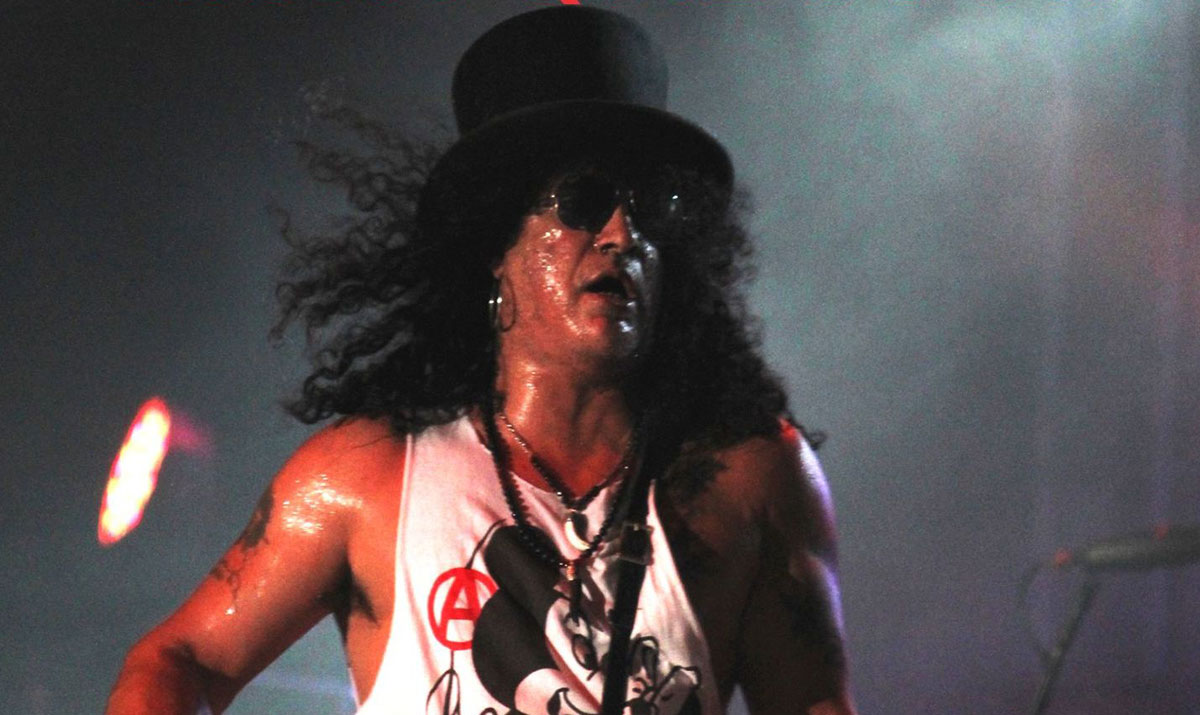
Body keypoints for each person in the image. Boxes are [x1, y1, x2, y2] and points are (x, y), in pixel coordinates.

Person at [107, 7, 856, 714]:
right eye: (583, 202)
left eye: (651, 207)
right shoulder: (367, 479)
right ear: (495, 241)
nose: (624, 235)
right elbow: (178, 659)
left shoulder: (753, 481)